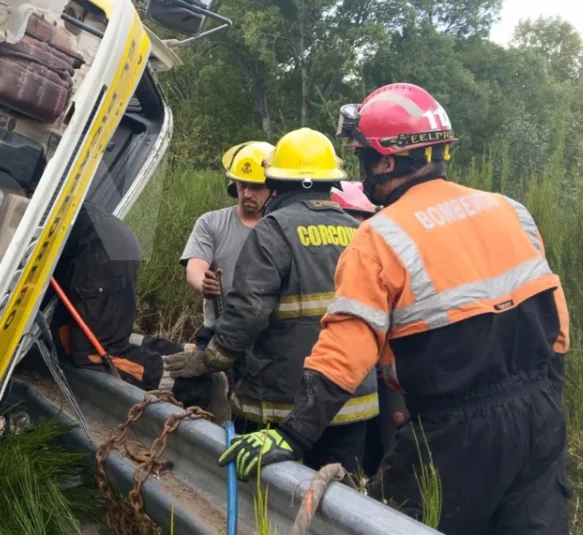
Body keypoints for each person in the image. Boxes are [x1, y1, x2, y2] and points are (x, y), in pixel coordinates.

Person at [219, 83, 570, 535]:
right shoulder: (510, 210)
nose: (361, 174)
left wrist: (292, 433)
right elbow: (559, 326)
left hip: (453, 431)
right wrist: (543, 405)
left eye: (364, 157)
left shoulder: (381, 235)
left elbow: (346, 349)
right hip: (542, 417)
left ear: (386, 160)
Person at [164, 129, 378, 475]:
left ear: (276, 183)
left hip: (279, 404)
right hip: (350, 402)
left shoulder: (273, 229)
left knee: (265, 500)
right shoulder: (359, 231)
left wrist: (211, 359)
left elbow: (248, 312)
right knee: (334, 503)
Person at [52, 201, 220, 408]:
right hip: (106, 237)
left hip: (96, 249)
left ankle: (199, 387)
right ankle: (185, 354)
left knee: (97, 350)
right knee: (85, 336)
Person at [332, 181, 409, 477]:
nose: (349, 226)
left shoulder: (385, 253)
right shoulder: (338, 262)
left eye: (355, 217)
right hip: (352, 383)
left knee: (395, 453)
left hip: (388, 377)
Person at [181, 141, 274, 349]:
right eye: (242, 185)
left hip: (266, 338)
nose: (247, 193)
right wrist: (203, 284)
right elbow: (195, 268)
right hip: (218, 333)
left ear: (273, 189)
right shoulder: (210, 222)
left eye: (256, 187)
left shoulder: (279, 228)